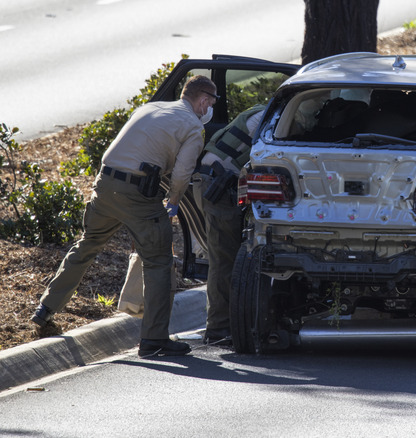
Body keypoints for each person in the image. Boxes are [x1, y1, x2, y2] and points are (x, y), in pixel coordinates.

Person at [30, 75, 219, 357]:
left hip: (104, 185)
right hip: (138, 195)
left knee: (87, 244)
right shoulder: (192, 126)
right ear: (203, 100)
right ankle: (155, 340)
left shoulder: (150, 108)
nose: (210, 110)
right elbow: (181, 173)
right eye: (211, 103)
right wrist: (174, 201)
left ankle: (45, 308)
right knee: (158, 261)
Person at [192, 103, 266, 346]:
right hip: (219, 186)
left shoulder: (262, 110)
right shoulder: (276, 116)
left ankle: (230, 324)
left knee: (227, 257)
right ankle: (219, 329)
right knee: (224, 260)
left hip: (213, 180)